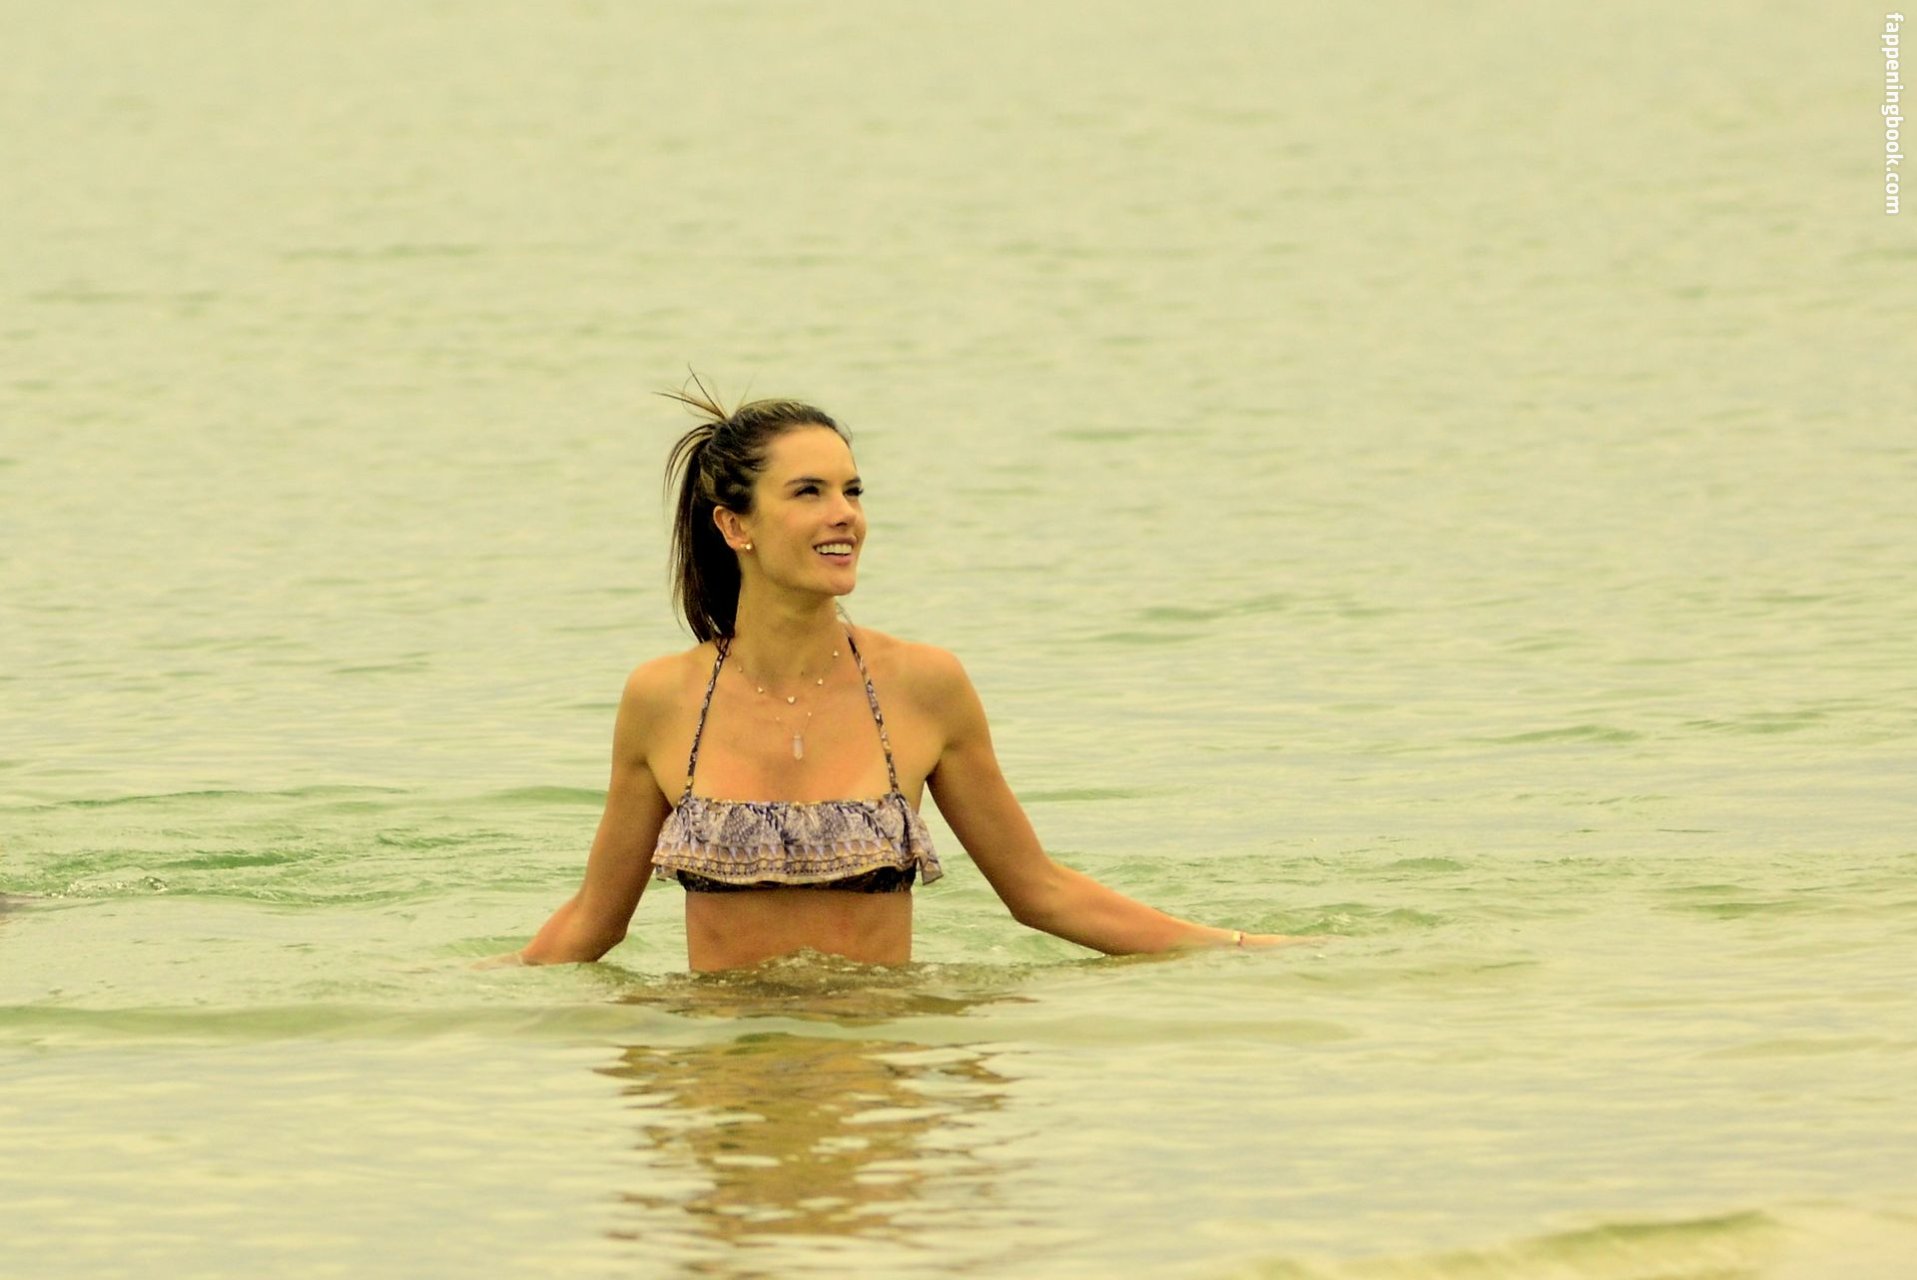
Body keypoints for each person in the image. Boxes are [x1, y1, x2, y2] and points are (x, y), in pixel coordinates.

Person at [513, 383, 1299, 971]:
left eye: (852, 491)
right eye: (809, 492)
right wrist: (456, 999)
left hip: (878, 1059)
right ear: (734, 524)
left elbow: (1040, 893)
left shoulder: (923, 686)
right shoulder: (662, 698)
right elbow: (594, 923)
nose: (844, 514)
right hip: (714, 1063)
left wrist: (1240, 950)